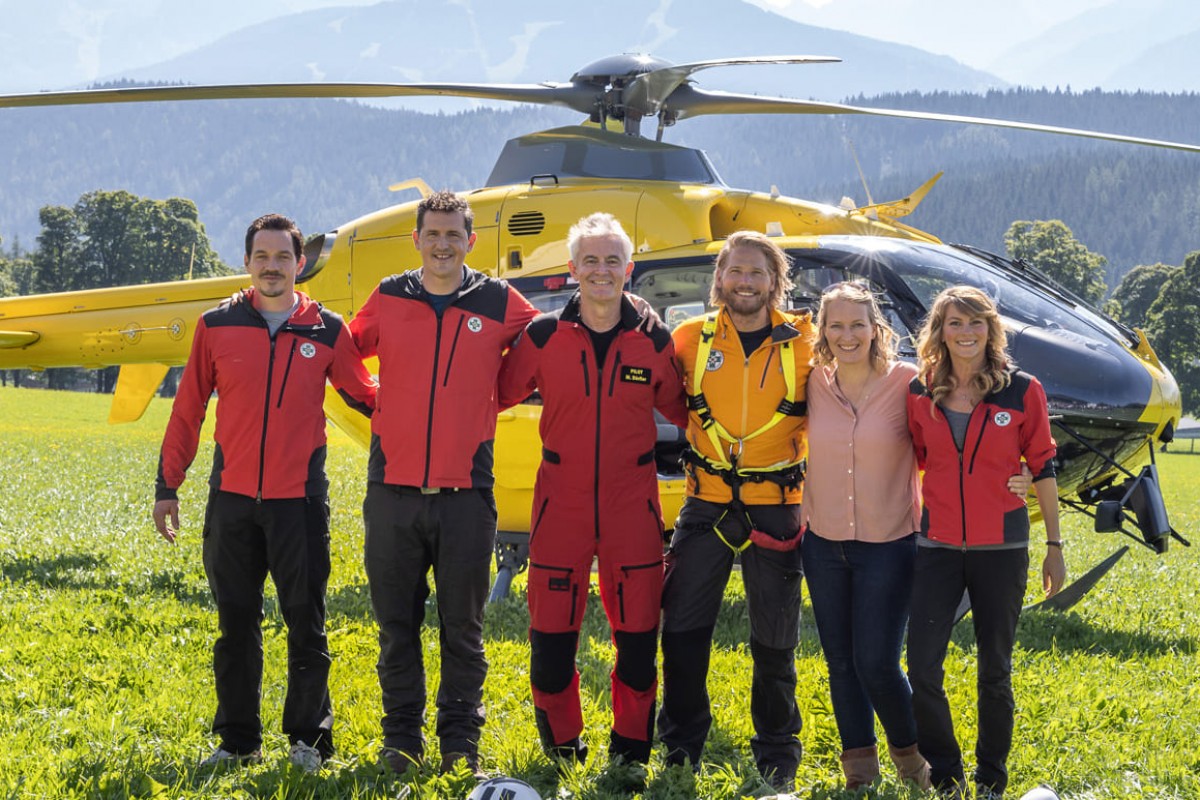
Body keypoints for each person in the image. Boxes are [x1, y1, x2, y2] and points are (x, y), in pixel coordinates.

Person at [153, 213, 377, 772]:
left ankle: (309, 741)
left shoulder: (327, 329)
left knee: (307, 623)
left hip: (298, 503)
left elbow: (367, 396)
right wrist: (167, 486)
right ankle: (236, 741)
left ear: (300, 264)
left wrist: (433, 405)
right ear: (247, 262)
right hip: (230, 501)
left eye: (283, 257)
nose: (272, 266)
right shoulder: (217, 325)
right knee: (235, 626)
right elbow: (187, 409)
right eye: (262, 256)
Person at [801, 282, 1035, 790]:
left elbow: (954, 443)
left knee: (877, 662)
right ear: (822, 331)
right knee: (840, 661)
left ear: (875, 328)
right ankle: (859, 770)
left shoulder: (911, 383)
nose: (847, 335)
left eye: (857, 324)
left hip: (890, 542)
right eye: (835, 326)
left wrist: (1021, 473)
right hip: (822, 541)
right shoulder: (812, 383)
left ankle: (914, 762)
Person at [348, 190, 538, 777]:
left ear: (471, 241)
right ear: (417, 240)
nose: (442, 243)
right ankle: (400, 742)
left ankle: (461, 744)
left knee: (464, 631)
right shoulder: (389, 296)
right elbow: (341, 350)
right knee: (396, 628)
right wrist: (374, 400)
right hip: (392, 493)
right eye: (433, 233)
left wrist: (491, 397)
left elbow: (543, 344)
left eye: (454, 234)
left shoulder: (498, 300)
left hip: (466, 498)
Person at [496, 213, 688, 768]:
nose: (601, 271)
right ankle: (562, 748)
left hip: (634, 505)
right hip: (561, 506)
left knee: (636, 643)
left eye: (612, 261)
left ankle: (630, 751)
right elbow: (497, 393)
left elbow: (685, 408)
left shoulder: (652, 341)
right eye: (590, 260)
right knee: (551, 641)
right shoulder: (542, 336)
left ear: (628, 269)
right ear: (573, 268)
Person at [657, 230, 813, 792]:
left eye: (757, 273)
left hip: (778, 506)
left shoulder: (806, 344)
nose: (745, 282)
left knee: (776, 639)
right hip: (706, 505)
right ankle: (679, 745)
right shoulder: (686, 340)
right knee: (683, 631)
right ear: (718, 278)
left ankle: (777, 751)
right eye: (735, 271)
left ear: (776, 281)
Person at [906, 285, 1065, 800]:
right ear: (940, 330)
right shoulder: (920, 390)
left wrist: (1055, 546)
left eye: (976, 322)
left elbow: (1042, 466)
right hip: (937, 547)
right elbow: (911, 457)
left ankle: (991, 780)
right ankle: (948, 774)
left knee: (994, 670)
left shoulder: (1022, 390)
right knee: (922, 665)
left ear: (991, 328)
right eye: (955, 322)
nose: (966, 332)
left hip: (1003, 549)